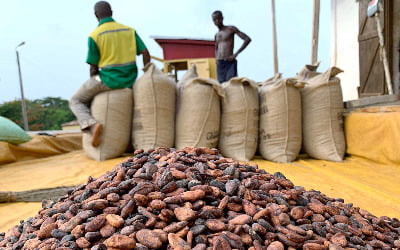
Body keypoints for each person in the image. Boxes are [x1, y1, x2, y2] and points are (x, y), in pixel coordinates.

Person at [69, 1, 150, 147]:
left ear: (96, 15)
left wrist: (93, 83)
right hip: (130, 79)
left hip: (106, 79)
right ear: (111, 12)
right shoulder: (129, 30)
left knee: (76, 100)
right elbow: (145, 52)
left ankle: (91, 125)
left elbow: (93, 68)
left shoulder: (95, 35)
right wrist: (147, 73)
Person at [212, 10, 251, 83]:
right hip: (220, 64)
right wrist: (216, 59)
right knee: (221, 86)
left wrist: (235, 54)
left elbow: (247, 39)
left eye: (218, 19)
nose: (217, 21)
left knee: (232, 84)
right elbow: (216, 48)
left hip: (229, 61)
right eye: (214, 20)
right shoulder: (216, 35)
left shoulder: (230, 29)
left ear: (222, 18)